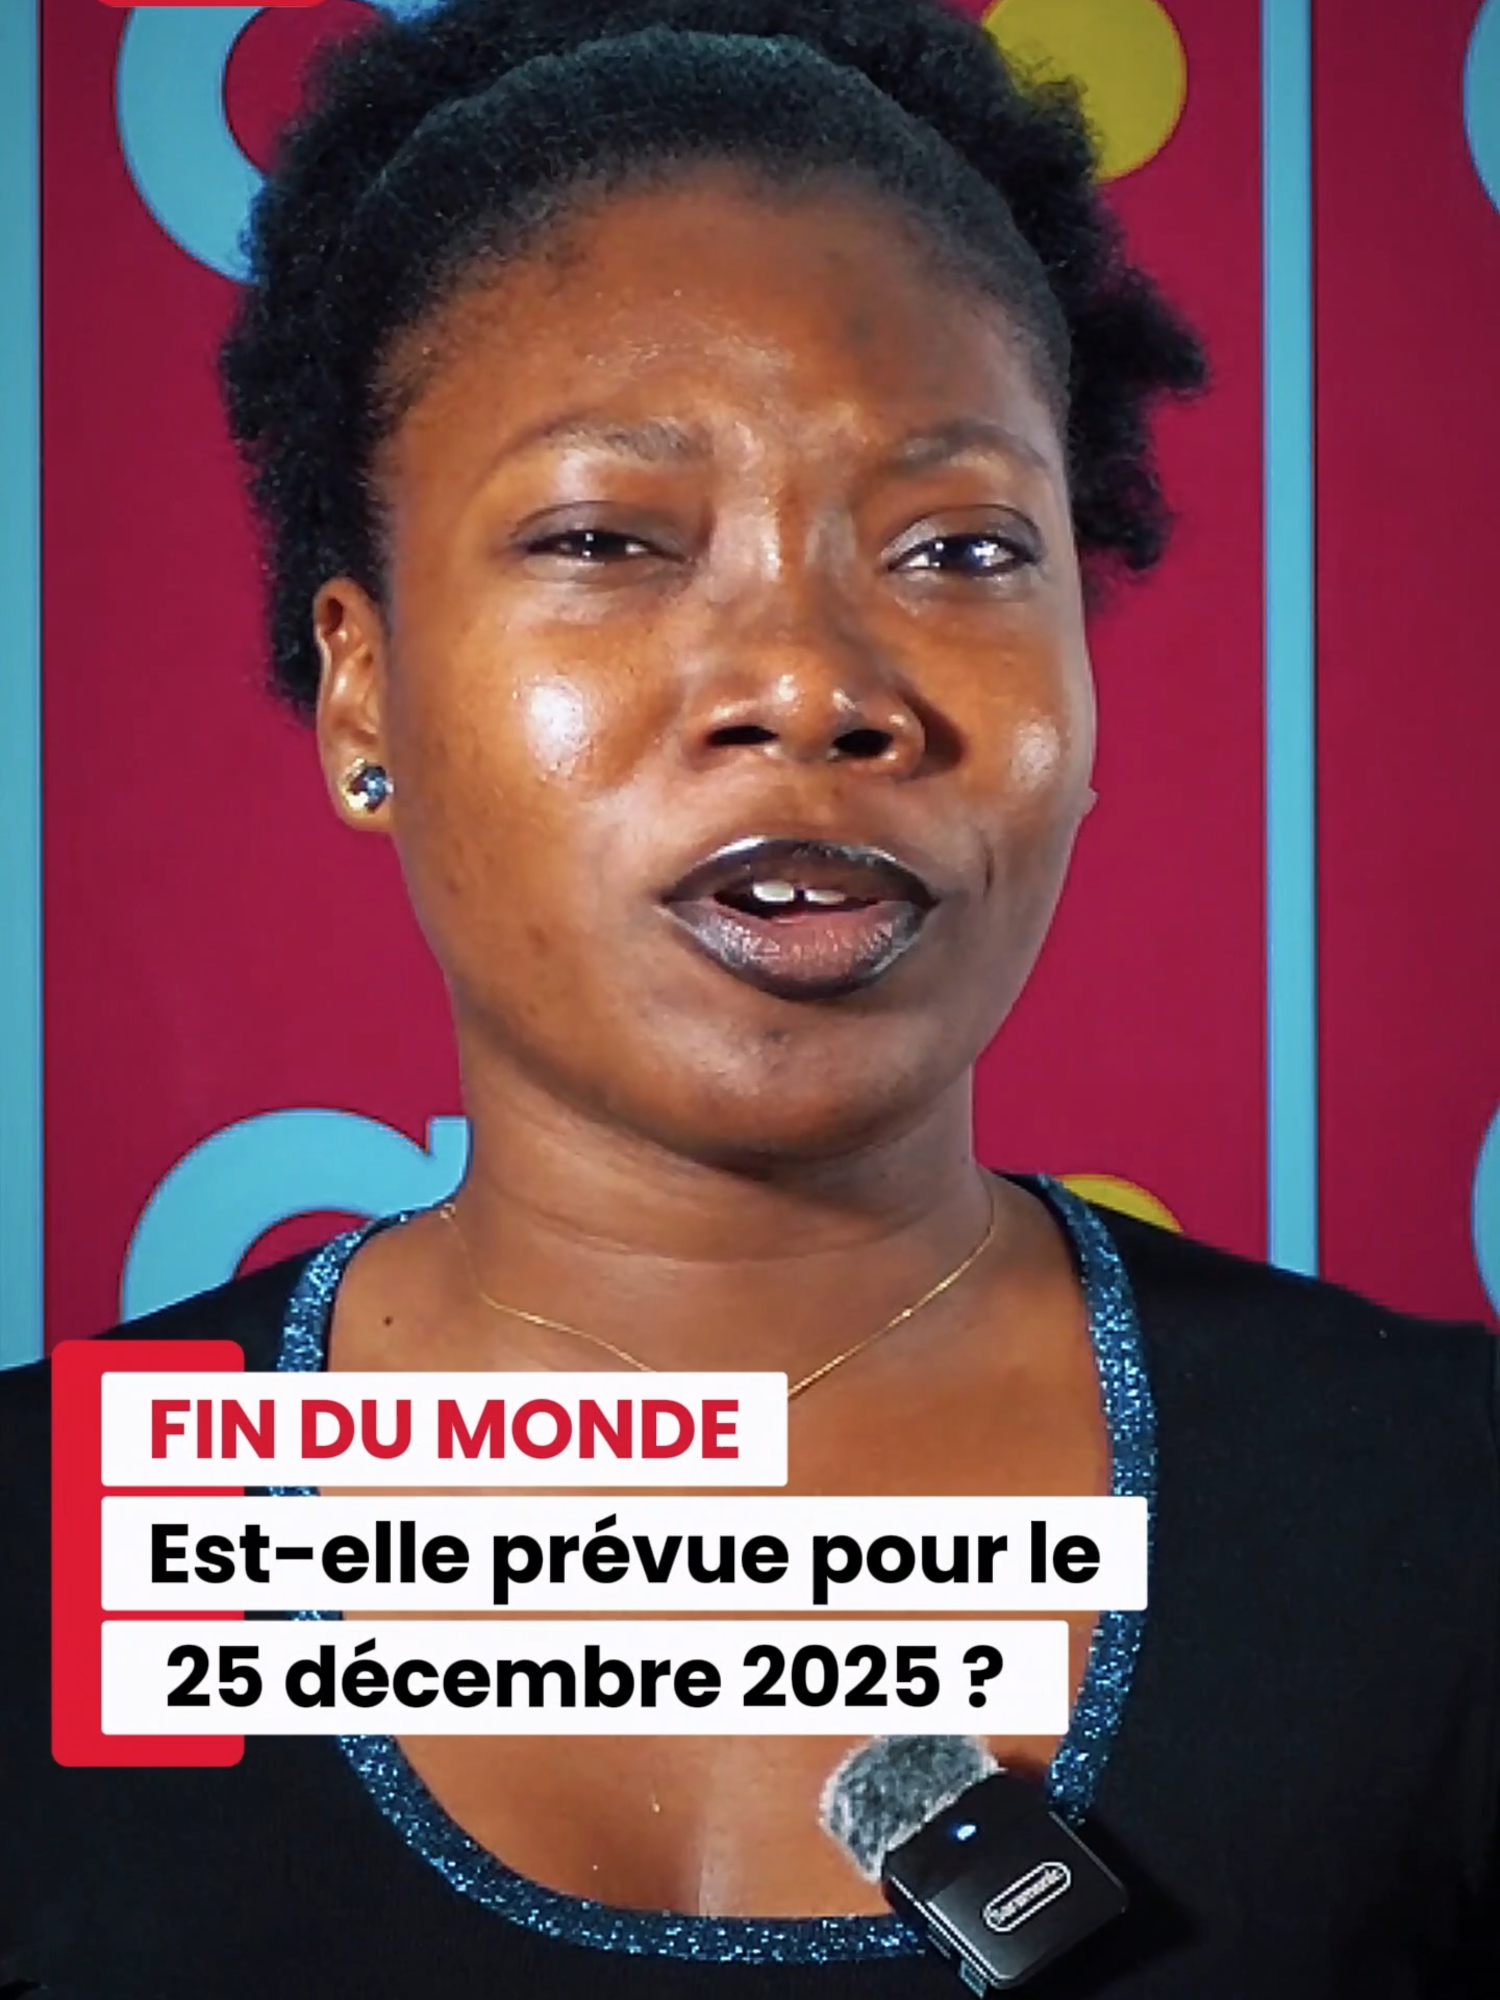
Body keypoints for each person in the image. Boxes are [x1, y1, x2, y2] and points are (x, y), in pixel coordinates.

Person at [2, 0, 1495, 1993]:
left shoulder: (1445, 1511)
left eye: (959, 546)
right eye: (609, 538)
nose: (810, 683)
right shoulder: (66, 1532)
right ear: (364, 690)